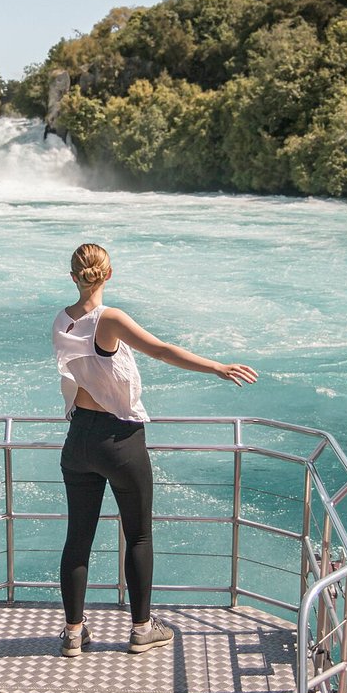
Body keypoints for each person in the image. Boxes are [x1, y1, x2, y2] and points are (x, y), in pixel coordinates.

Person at [52, 243, 257, 657]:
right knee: (139, 534)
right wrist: (217, 366)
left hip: (78, 440)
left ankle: (74, 633)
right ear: (109, 275)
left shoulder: (62, 320)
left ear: (73, 276)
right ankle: (142, 628)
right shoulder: (108, 319)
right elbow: (162, 350)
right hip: (119, 440)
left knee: (78, 537)